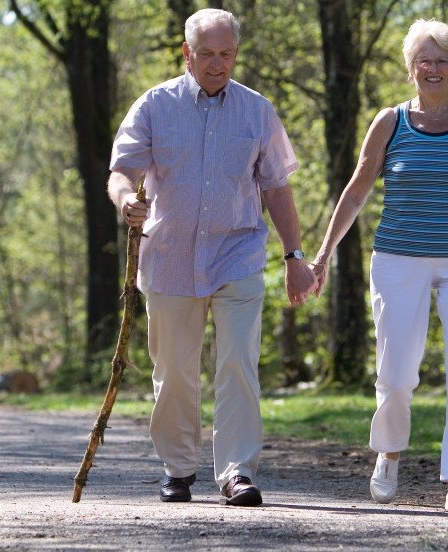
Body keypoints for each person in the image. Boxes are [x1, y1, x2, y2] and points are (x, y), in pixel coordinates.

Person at [310, 19, 448, 511]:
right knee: (397, 371)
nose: (433, 68)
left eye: (442, 60)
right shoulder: (390, 122)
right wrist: (324, 254)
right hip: (398, 259)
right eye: (423, 60)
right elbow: (358, 189)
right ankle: (388, 452)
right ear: (410, 70)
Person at [107, 8, 318, 507]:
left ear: (236, 54)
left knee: (238, 365)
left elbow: (277, 189)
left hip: (237, 254)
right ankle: (179, 468)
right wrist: (124, 201)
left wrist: (294, 256)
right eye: (207, 54)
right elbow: (121, 170)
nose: (217, 63)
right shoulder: (154, 106)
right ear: (187, 53)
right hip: (169, 258)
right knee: (175, 370)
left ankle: (237, 471)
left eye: (226, 53)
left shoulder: (257, 111)